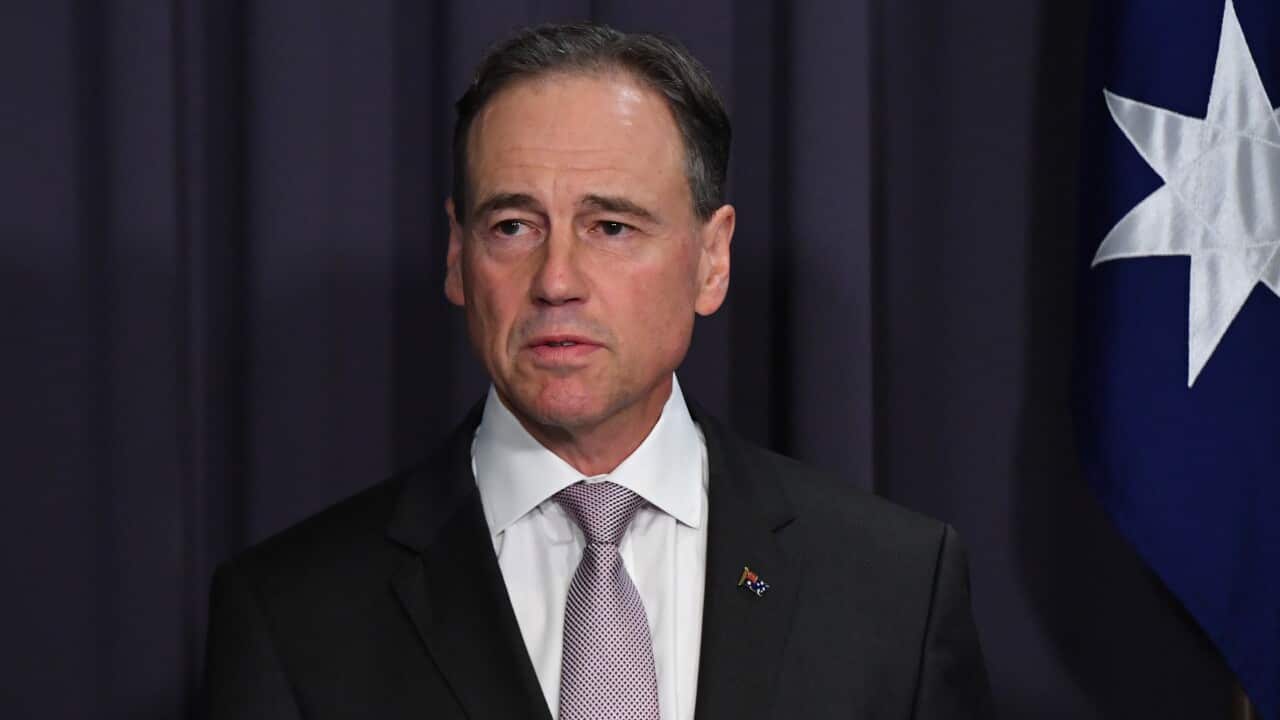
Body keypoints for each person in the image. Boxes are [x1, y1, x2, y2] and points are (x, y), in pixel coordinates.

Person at [204, 22, 992, 719]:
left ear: (711, 259)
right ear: (457, 255)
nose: (556, 279)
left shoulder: (893, 588)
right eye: (512, 225)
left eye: (611, 226)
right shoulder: (293, 613)